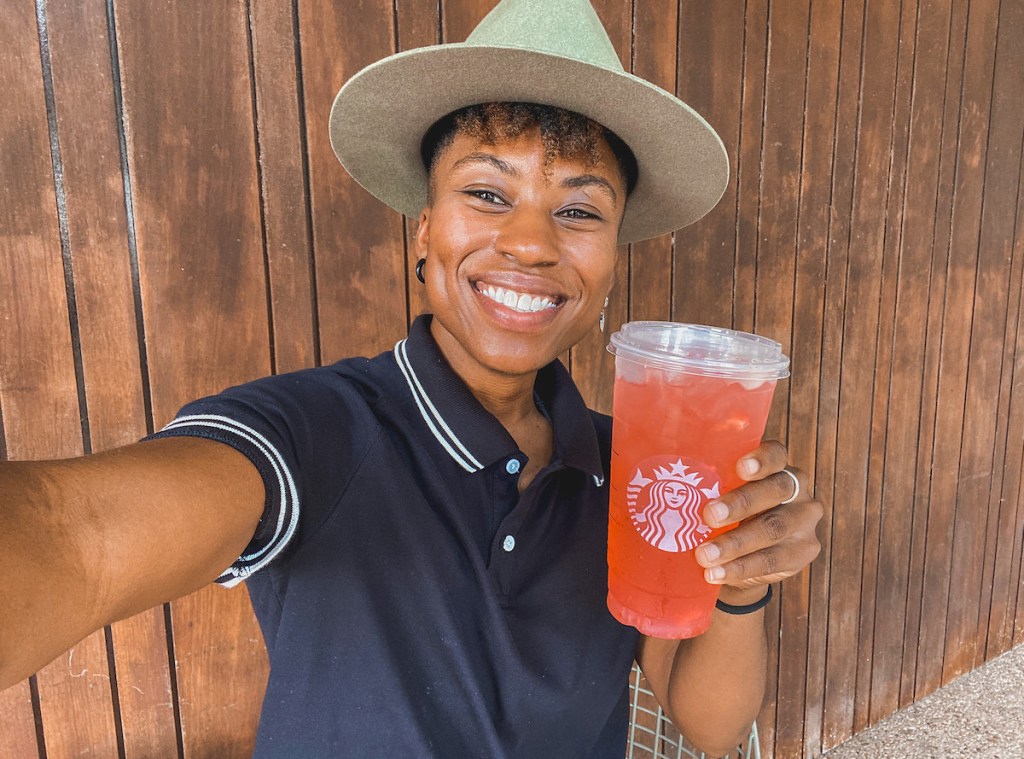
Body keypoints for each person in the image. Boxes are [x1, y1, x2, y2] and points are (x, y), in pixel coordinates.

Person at [0, 1, 822, 756]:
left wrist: (744, 582)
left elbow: (707, 723)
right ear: (424, 234)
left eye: (579, 210)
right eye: (487, 193)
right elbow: (79, 538)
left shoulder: (631, 469)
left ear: (610, 263)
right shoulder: (316, 432)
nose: (533, 243)